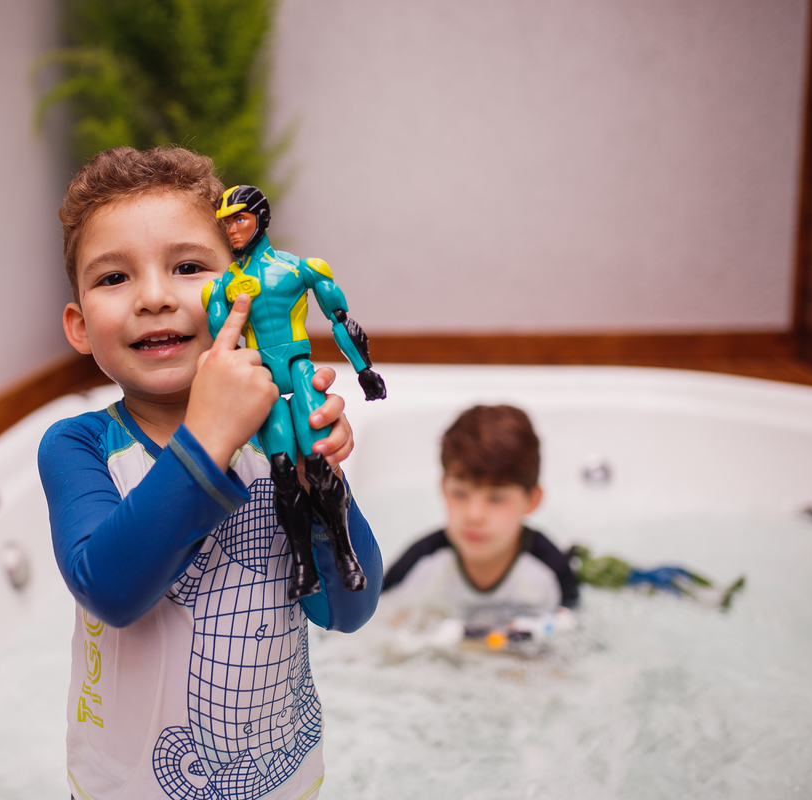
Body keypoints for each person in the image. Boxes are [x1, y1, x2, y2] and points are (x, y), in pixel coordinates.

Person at [37, 146, 382, 800]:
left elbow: (348, 610)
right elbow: (109, 590)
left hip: (284, 784)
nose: (156, 297)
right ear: (80, 327)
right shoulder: (79, 445)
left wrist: (319, 484)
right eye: (115, 278)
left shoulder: (275, 440)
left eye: (188, 267)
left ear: (241, 288)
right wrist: (208, 437)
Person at [206, 185, 386, 600]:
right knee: (284, 472)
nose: (232, 230)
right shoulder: (221, 289)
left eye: (239, 218)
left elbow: (340, 318)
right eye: (226, 222)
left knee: (319, 464)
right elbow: (223, 352)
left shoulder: (300, 269)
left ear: (260, 218)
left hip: (299, 369)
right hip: (263, 380)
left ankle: (345, 553)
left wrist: (365, 371)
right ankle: (302, 563)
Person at [382, 405, 577, 633]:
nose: (474, 516)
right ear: (444, 489)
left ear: (532, 501)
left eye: (496, 498)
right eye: (460, 493)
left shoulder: (550, 573)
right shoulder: (420, 564)